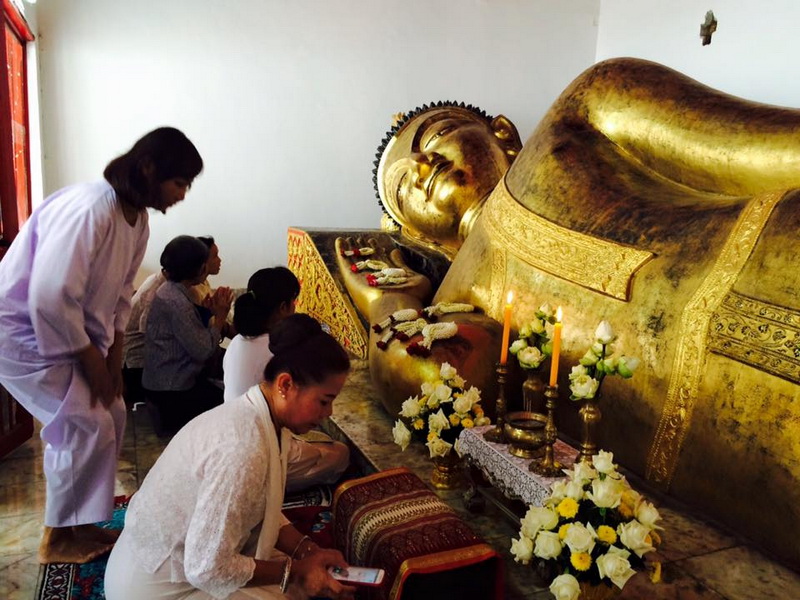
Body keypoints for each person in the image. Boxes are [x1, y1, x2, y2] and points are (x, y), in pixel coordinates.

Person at [0, 127, 203, 564]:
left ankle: (83, 524)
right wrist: (91, 359)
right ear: (149, 169)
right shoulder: (92, 207)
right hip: (21, 332)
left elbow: (120, 297)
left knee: (110, 412)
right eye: (180, 183)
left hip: (69, 336)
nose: (183, 194)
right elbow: (50, 295)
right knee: (82, 422)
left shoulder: (138, 221)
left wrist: (112, 359)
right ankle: (56, 542)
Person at [104, 314, 354, 600]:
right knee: (295, 589)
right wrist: (295, 571)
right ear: (285, 385)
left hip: (180, 561)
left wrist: (308, 550)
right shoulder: (243, 445)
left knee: (307, 583)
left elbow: (259, 508)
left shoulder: (263, 416)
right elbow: (206, 568)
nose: (329, 413)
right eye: (324, 400)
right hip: (156, 583)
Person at [224, 267, 350, 492]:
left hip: (235, 433)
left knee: (319, 439)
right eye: (293, 303)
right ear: (284, 307)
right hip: (251, 449)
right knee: (340, 453)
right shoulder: (276, 353)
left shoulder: (237, 342)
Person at [142, 235, 233, 434]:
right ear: (201, 268)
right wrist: (220, 317)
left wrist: (208, 313)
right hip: (171, 391)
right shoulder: (176, 302)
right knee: (231, 404)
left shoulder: (171, 290)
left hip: (164, 384)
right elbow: (203, 351)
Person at [121, 269, 166, 404]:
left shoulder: (157, 279)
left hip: (134, 359)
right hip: (135, 362)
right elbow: (146, 329)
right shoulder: (157, 289)